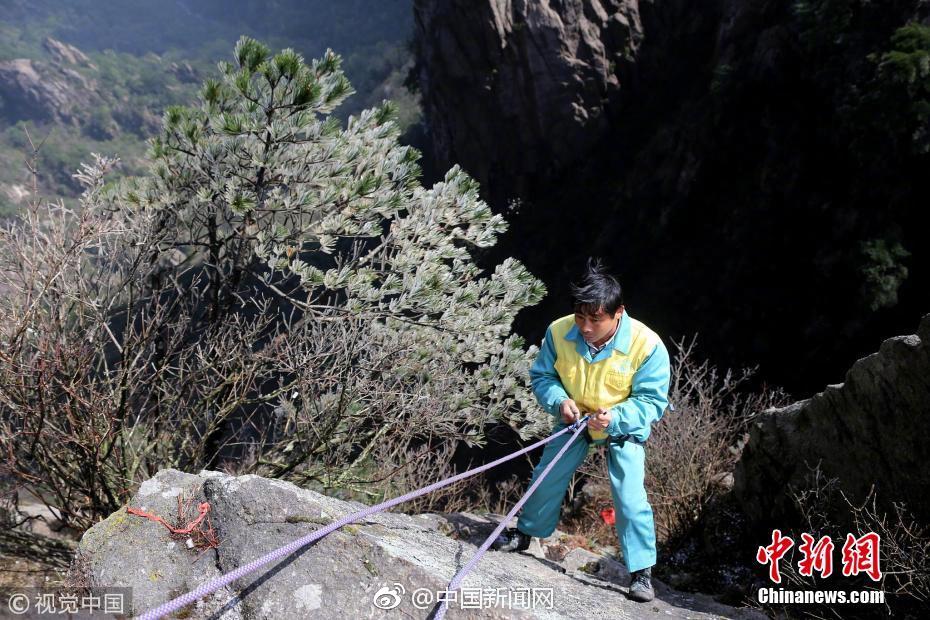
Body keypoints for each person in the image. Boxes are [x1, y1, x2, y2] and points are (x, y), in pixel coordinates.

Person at [492, 258, 671, 603]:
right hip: (574, 418)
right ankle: (527, 533)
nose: (586, 327)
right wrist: (559, 401)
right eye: (580, 316)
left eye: (595, 319)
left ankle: (641, 572)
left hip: (619, 424)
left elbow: (652, 402)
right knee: (548, 474)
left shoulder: (647, 345)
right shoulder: (559, 332)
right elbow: (543, 376)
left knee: (630, 494)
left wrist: (615, 417)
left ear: (618, 312)